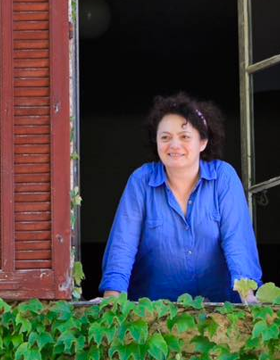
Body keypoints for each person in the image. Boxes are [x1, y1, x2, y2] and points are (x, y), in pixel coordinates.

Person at [99, 93, 262, 303]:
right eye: (165, 137)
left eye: (185, 137)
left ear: (203, 141)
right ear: (156, 142)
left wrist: (248, 299)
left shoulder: (223, 177)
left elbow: (237, 240)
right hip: (152, 312)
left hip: (220, 310)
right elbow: (123, 244)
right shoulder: (141, 181)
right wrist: (111, 300)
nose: (174, 145)